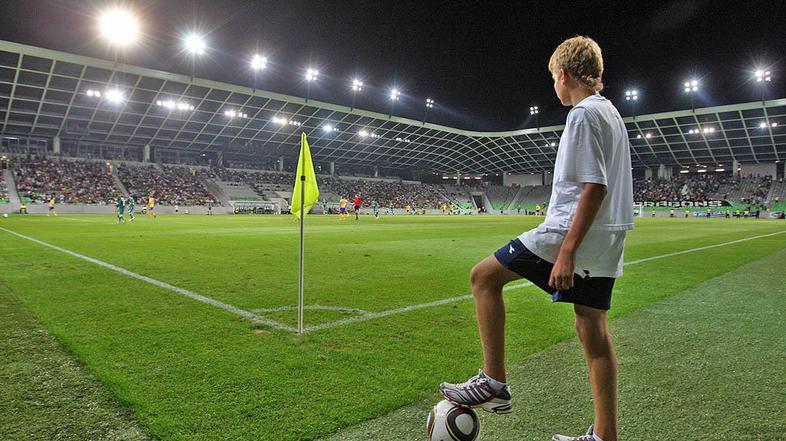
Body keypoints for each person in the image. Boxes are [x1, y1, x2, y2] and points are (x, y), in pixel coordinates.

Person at [439, 36, 631, 441]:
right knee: (592, 331)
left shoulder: (582, 115)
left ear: (563, 75)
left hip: (569, 233)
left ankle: (493, 382)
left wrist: (566, 251)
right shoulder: (611, 113)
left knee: (483, 278)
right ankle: (605, 436)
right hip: (609, 238)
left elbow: (593, 187)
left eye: (553, 79)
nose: (555, 87)